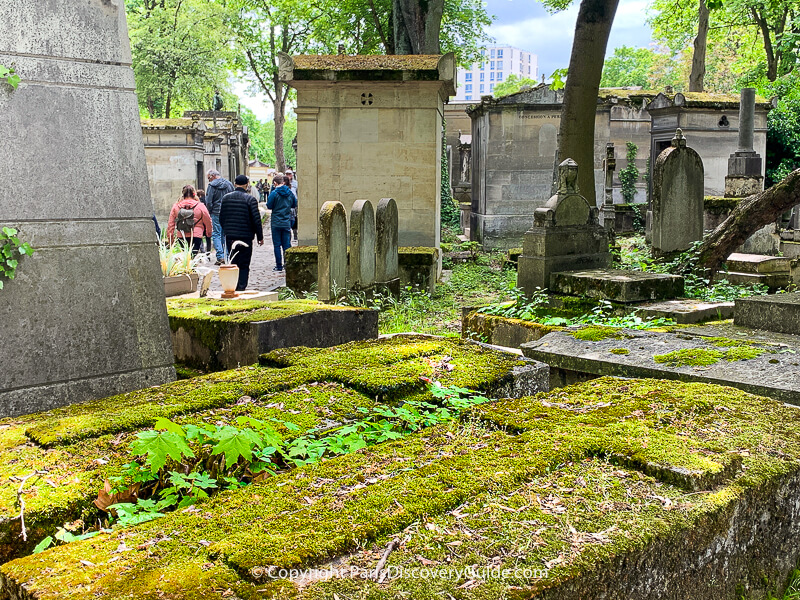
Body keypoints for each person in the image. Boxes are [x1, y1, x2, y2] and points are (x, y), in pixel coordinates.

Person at [219, 174, 264, 290]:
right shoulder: (250, 199)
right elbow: (256, 220)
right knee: (244, 263)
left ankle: (233, 284)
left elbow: (222, 217)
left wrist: (227, 230)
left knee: (233, 261)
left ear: (235, 184)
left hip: (231, 236)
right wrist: (260, 236)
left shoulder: (226, 198)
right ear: (247, 185)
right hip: (246, 236)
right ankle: (242, 286)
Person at [166, 184, 212, 255]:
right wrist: (209, 232)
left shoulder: (176, 206)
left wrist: (170, 238)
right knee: (193, 256)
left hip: (182, 235)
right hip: (196, 235)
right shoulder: (200, 206)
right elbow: (208, 220)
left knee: (185, 256)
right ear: (194, 194)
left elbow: (170, 224)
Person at [267, 173, 297, 272]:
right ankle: (288, 265)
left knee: (277, 245)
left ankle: (279, 266)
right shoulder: (290, 192)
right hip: (286, 220)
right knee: (286, 244)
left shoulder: (274, 193)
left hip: (276, 221)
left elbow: (269, 205)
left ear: (275, 183)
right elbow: (294, 204)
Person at [205, 169, 234, 265]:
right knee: (225, 234)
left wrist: (209, 211)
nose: (209, 181)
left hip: (216, 212)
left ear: (212, 176)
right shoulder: (229, 184)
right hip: (228, 212)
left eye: (209, 178)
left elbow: (208, 201)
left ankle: (220, 256)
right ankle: (226, 255)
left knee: (216, 234)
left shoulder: (211, 186)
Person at [196, 188, 212, 253]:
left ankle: (202, 251)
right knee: (208, 238)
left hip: (200, 222)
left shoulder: (198, 203)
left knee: (200, 238)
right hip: (206, 221)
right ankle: (208, 251)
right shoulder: (206, 201)